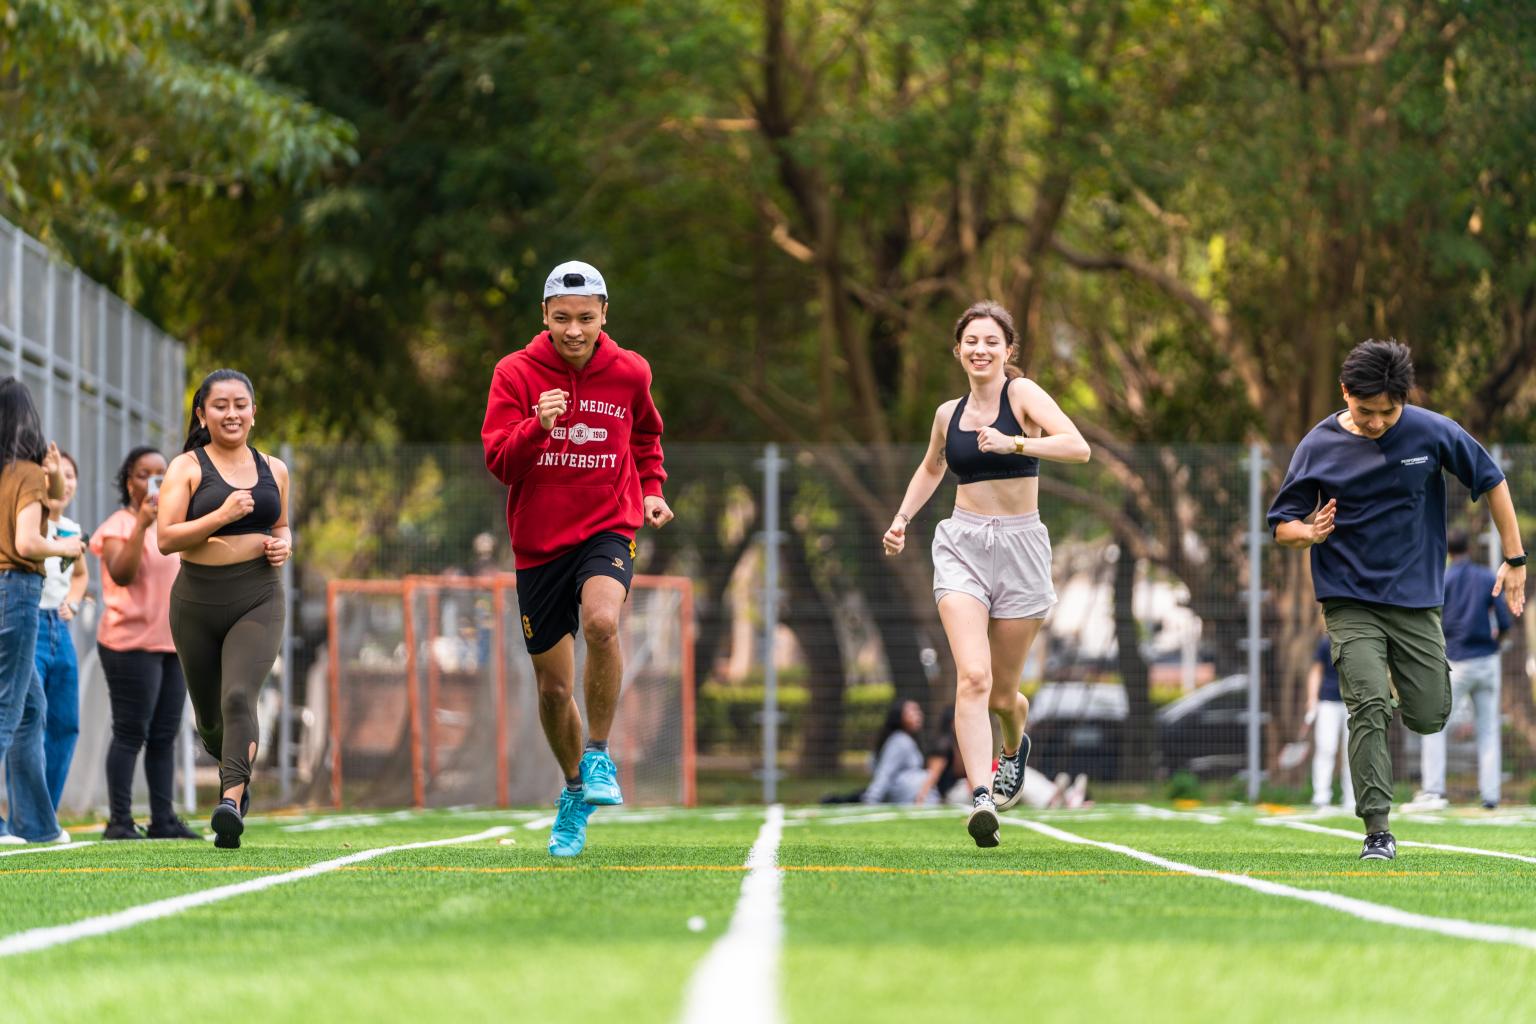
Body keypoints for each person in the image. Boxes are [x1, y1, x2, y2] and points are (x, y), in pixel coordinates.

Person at [1269, 339, 1525, 861]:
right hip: (1349, 599)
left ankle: (1393, 678)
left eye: (1390, 411)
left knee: (1431, 715)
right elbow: (1282, 527)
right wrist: (1309, 534)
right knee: (1365, 705)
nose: (1379, 422)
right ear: (1346, 394)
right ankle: (1378, 830)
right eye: (1367, 411)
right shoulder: (1316, 445)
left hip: (1414, 601)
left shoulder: (1432, 431)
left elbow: (1492, 480)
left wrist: (1516, 560)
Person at [882, 300, 1091, 847]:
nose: (980, 349)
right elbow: (931, 468)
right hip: (963, 545)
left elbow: (1078, 447)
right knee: (972, 676)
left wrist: (1015, 441)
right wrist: (902, 520)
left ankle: (1012, 746)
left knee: (1003, 696)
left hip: (1021, 546)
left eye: (991, 341)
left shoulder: (1021, 396)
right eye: (971, 341)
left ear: (1007, 350)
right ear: (958, 350)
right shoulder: (946, 415)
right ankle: (980, 797)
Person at [481, 260, 672, 857]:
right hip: (538, 545)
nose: (573, 330)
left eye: (585, 319)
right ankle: (572, 791)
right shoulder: (514, 373)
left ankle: (598, 756)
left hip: (608, 527)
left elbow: (646, 437)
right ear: (544, 316)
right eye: (562, 318)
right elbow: (500, 462)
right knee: (552, 690)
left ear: (604, 315)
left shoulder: (630, 371)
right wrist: (537, 427)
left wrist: (653, 488)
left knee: (602, 622)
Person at [158, 369, 291, 850]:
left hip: (258, 595)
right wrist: (220, 515)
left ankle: (230, 803)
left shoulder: (274, 469)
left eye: (241, 404)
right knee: (210, 720)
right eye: (220, 405)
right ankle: (230, 765)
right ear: (202, 414)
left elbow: (282, 525)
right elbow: (165, 538)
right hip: (196, 600)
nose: (231, 413)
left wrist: (283, 546)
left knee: (239, 697)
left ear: (254, 413)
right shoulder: (187, 467)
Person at [90, 446, 199, 840]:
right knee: (131, 731)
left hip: (173, 644)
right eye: (143, 473)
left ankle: (163, 819)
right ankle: (119, 821)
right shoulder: (119, 524)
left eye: (161, 473)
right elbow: (121, 573)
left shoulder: (177, 526)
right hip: (129, 644)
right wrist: (141, 525)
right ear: (128, 481)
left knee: (164, 734)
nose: (152, 480)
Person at [0, 377, 77, 844]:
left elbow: (50, 502)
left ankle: (35, 824)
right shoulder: (22, 474)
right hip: (16, 590)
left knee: (31, 706)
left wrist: (52, 475)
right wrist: (68, 548)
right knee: (9, 708)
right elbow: (30, 540)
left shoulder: (19, 475)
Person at [1411, 527, 1511, 811]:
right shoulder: (1486, 576)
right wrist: (1496, 643)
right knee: (1489, 730)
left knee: (1435, 724)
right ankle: (1490, 796)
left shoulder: (1444, 579)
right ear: (1469, 546)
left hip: (1456, 662)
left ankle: (1434, 790)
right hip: (1488, 661)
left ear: (1448, 550)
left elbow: (1432, 622)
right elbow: (1503, 622)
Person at [37, 449, 89, 810]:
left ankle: (46, 814)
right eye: (59, 474)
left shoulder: (73, 529)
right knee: (25, 724)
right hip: (29, 625)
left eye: (71, 475)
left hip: (61, 632)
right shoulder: (28, 522)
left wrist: (72, 600)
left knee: (65, 723)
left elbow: (82, 574)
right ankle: (25, 813)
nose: (65, 482)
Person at [1303, 633, 1354, 814]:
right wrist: (1312, 698)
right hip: (1328, 702)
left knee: (1353, 752)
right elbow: (1316, 671)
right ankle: (1321, 796)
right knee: (1326, 748)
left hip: (1353, 703)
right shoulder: (1326, 642)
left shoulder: (1359, 640)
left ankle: (1352, 799)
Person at [863, 700, 936, 805]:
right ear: (899, 716)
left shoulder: (908, 739)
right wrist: (871, 799)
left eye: (918, 711)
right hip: (906, 799)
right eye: (912, 711)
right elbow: (885, 772)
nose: (918, 715)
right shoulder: (900, 741)